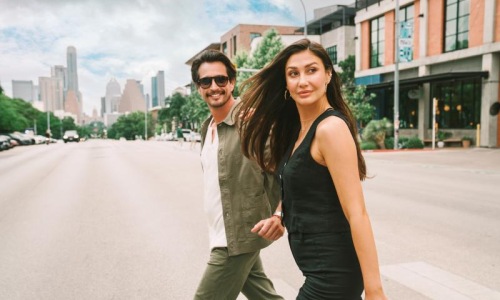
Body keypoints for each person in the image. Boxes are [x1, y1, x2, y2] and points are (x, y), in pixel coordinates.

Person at [238, 39, 388, 300]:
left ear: (328, 74)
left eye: (311, 70)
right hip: (318, 270)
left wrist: (375, 291)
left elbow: (357, 213)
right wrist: (279, 214)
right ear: (285, 83)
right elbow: (305, 185)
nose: (302, 81)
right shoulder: (300, 130)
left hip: (334, 275)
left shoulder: (330, 128)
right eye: (293, 74)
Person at [191, 49, 284, 300]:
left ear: (231, 82)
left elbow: (288, 170)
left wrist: (280, 213)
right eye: (206, 81)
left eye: (221, 79)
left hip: (237, 237)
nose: (214, 86)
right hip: (225, 232)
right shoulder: (207, 127)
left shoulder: (251, 121)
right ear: (198, 87)